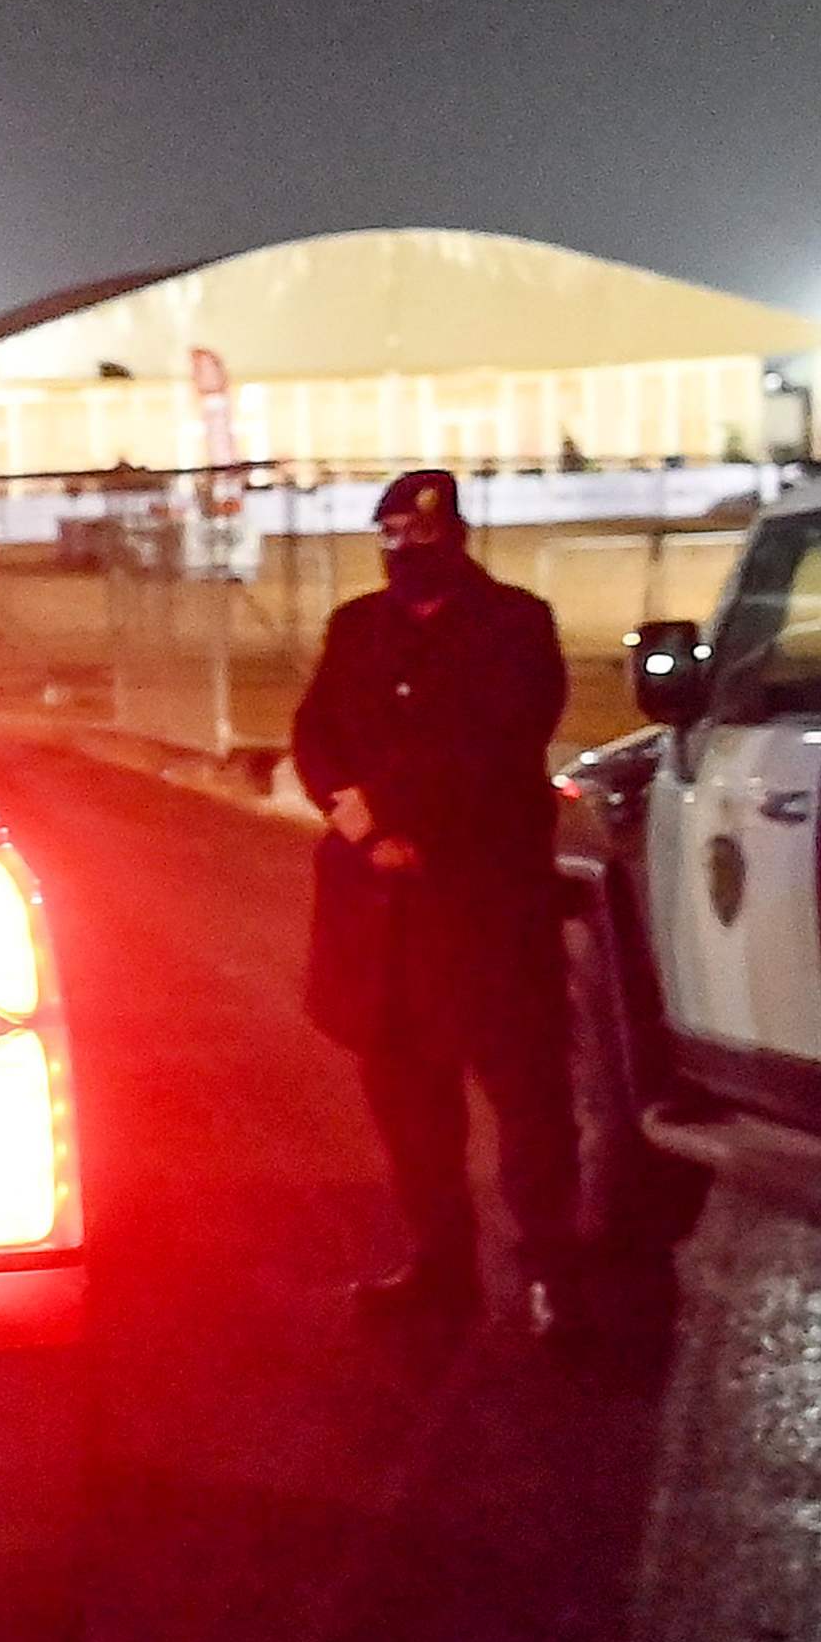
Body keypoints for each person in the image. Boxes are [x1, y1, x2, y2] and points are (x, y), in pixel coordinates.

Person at [290, 468, 580, 1336]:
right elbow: (317, 734)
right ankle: (439, 1265)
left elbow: (497, 742)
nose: (405, 552)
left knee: (526, 1098)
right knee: (410, 1104)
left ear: (455, 536)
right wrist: (360, 823)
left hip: (485, 908)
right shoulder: (359, 627)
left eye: (421, 536)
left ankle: (551, 1275)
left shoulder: (514, 623)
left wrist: (389, 807)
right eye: (391, 537)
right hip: (382, 915)